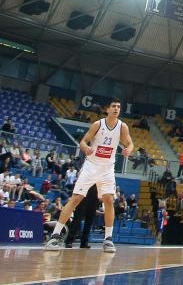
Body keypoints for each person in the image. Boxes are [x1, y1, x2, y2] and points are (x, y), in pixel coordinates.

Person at [45, 99, 133, 253]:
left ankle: (108, 239)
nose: (116, 109)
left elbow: (129, 143)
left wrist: (128, 150)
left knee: (109, 200)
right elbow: (83, 141)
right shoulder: (98, 124)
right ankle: (55, 236)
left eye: (119, 107)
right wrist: (86, 148)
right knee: (76, 199)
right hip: (91, 166)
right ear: (107, 109)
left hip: (107, 168)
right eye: (113, 106)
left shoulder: (122, 127)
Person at [65, 184, 99, 249]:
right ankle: (69, 241)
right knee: (76, 220)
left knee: (89, 222)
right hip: (83, 197)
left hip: (94, 199)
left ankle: (84, 243)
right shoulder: (86, 173)